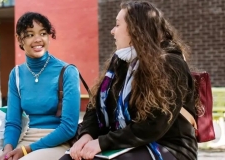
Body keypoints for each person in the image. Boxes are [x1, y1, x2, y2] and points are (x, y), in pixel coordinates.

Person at [65, 1, 198, 160]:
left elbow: (154, 125)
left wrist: (103, 143)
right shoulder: (120, 61)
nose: (112, 31)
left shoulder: (170, 64)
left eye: (117, 25)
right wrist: (87, 135)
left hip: (168, 146)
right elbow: (95, 106)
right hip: (124, 141)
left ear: (137, 30)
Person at [0, 12, 81, 160]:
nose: (38, 39)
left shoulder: (67, 72)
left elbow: (68, 128)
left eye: (43, 33)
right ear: (19, 39)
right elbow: (13, 122)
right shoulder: (16, 74)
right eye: (30, 35)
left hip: (58, 142)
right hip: (25, 139)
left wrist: (26, 150)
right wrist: (7, 149)